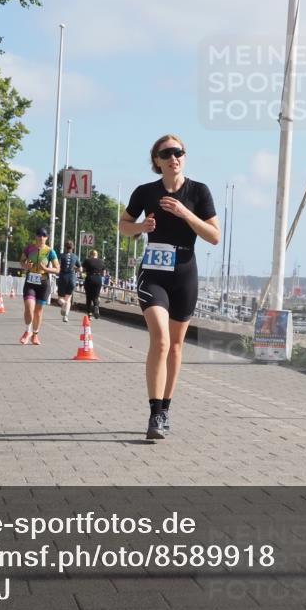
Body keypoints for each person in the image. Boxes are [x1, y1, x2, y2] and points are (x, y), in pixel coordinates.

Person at [119, 134, 219, 440]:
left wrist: (185, 213)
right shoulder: (145, 192)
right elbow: (124, 226)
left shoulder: (199, 191)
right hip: (153, 274)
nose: (174, 157)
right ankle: (154, 414)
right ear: (157, 161)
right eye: (167, 153)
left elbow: (214, 236)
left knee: (176, 346)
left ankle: (165, 409)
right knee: (161, 341)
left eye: (179, 152)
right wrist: (141, 228)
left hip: (185, 276)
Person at [20, 228, 61, 345]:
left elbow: (57, 269)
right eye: (39, 235)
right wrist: (26, 265)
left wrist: (46, 269)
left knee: (38, 311)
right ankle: (27, 331)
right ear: (36, 236)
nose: (41, 237)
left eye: (44, 236)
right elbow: (22, 262)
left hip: (43, 283)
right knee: (29, 307)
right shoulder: (29, 248)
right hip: (30, 282)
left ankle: (35, 334)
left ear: (47, 238)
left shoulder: (50, 251)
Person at [55, 240, 81, 323]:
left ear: (65, 247)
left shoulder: (61, 256)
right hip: (72, 278)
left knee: (60, 299)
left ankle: (63, 304)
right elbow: (80, 269)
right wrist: (74, 268)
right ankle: (65, 316)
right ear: (73, 248)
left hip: (63, 278)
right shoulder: (75, 257)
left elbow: (57, 266)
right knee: (68, 299)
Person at [82, 249, 105, 320]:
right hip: (98, 279)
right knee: (96, 296)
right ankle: (96, 306)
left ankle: (89, 314)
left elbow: (83, 271)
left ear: (90, 255)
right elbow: (103, 273)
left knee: (88, 297)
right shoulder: (101, 261)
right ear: (97, 255)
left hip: (90, 278)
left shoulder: (87, 260)